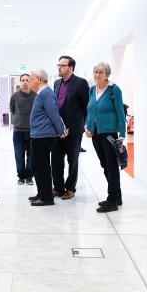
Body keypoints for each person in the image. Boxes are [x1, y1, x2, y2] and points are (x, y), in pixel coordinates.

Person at [84, 62, 127, 213]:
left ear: (107, 74)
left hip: (109, 134)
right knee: (105, 165)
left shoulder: (114, 90)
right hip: (95, 134)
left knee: (112, 167)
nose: (97, 75)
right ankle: (117, 196)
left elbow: (121, 114)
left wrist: (121, 136)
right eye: (95, 72)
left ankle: (112, 200)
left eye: (100, 72)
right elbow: (89, 110)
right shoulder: (92, 90)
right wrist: (87, 127)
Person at [27, 69, 67, 206]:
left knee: (42, 167)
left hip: (44, 136)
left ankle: (47, 198)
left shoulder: (46, 94)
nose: (29, 82)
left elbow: (54, 115)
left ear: (38, 79)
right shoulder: (42, 93)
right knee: (37, 166)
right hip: (39, 135)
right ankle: (42, 193)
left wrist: (61, 130)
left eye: (31, 79)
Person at [51, 55, 89, 200]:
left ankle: (70, 188)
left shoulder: (80, 83)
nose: (59, 68)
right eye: (58, 65)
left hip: (73, 129)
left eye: (62, 65)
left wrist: (83, 126)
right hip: (58, 129)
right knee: (55, 160)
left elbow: (86, 107)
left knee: (72, 160)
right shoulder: (56, 83)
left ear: (71, 68)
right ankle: (58, 188)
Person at [9, 73, 36, 185]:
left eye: (27, 80)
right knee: (19, 156)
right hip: (18, 132)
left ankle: (29, 176)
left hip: (32, 132)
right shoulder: (14, 96)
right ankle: (21, 177)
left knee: (31, 157)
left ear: (30, 82)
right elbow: (12, 110)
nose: (25, 82)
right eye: (23, 80)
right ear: (20, 82)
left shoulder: (36, 96)